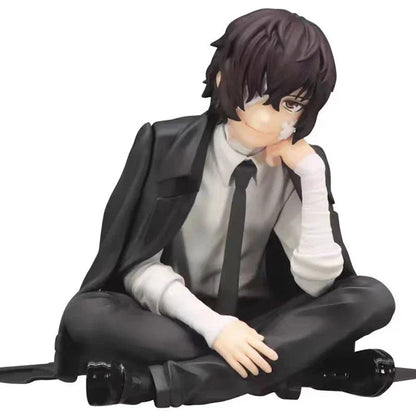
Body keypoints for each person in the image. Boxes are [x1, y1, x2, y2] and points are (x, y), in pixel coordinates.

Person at [0, 8, 396, 407]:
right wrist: (216, 329)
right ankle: (296, 365)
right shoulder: (165, 143)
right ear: (224, 78)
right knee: (87, 313)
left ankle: (153, 383)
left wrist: (311, 177)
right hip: (177, 316)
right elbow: (139, 267)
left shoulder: (300, 165)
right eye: (264, 97)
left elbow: (317, 284)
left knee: (371, 296)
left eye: (293, 104)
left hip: (265, 316)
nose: (276, 118)